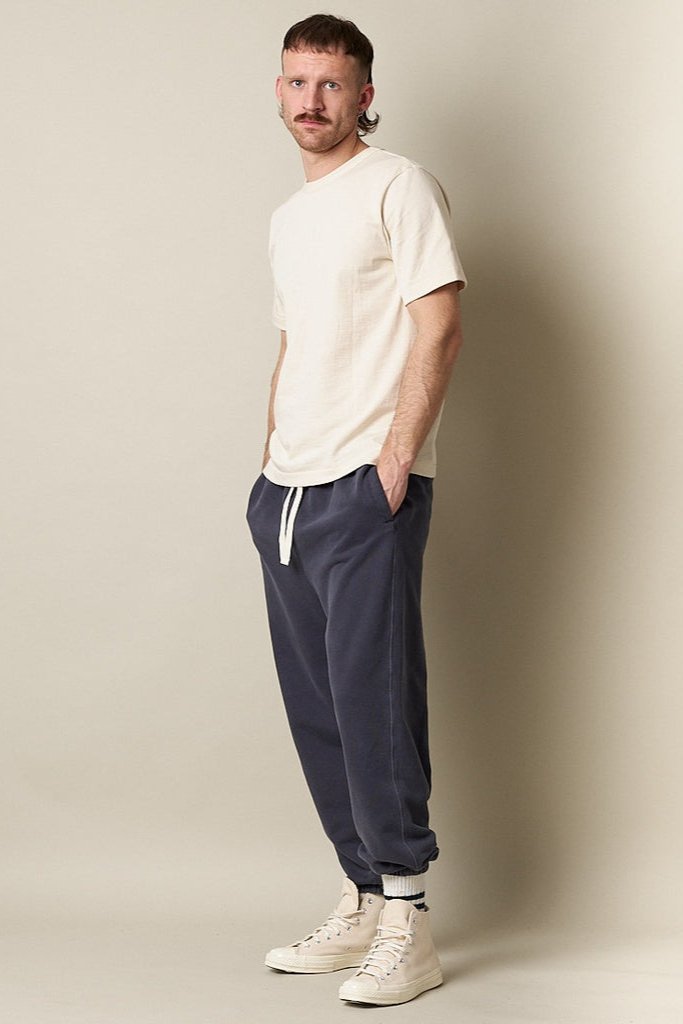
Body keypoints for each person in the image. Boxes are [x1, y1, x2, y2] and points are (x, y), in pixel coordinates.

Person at [246, 13, 467, 1007]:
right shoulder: (288, 219)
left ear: (363, 96)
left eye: (330, 84)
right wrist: (267, 470)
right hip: (288, 493)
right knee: (319, 709)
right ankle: (364, 893)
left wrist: (395, 460)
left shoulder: (398, 185)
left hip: (363, 486)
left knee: (373, 703)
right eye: (297, 82)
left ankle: (408, 917)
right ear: (278, 91)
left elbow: (439, 322)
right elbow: (294, 346)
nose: (311, 101)